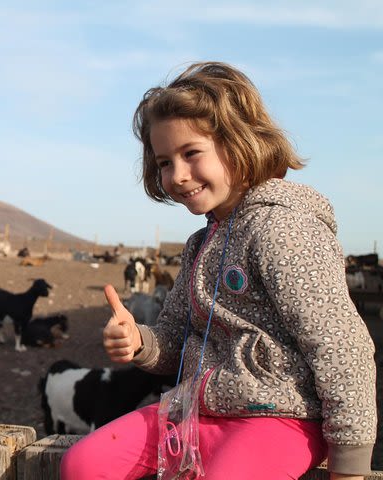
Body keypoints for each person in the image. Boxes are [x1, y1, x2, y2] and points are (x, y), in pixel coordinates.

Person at [60, 62, 376, 480]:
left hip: (278, 419)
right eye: (165, 163)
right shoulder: (200, 243)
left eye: (191, 153)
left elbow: (341, 346)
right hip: (194, 411)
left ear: (240, 142)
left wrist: (350, 463)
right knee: (82, 464)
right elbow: (173, 337)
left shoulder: (283, 228)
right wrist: (139, 340)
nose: (178, 175)